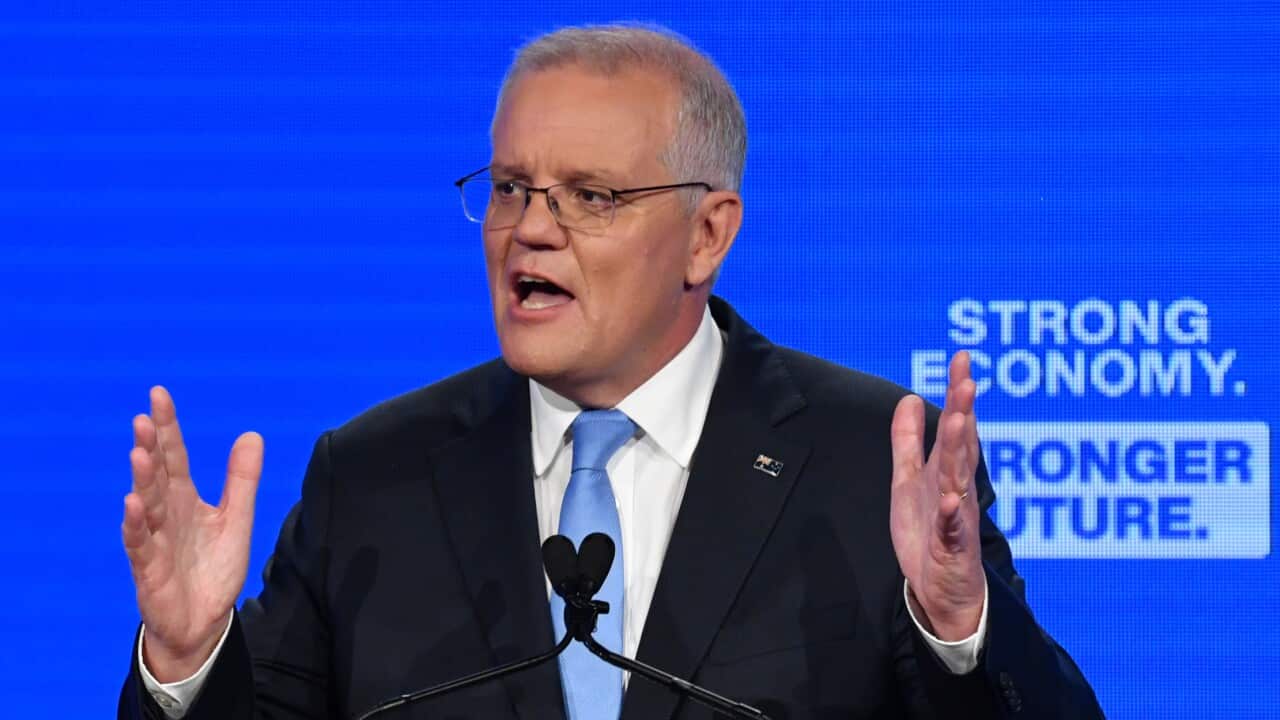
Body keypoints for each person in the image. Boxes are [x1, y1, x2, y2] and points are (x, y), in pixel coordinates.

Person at [118, 24, 1103, 720]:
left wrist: (958, 628)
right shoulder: (373, 478)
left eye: (589, 195)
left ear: (705, 236)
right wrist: (187, 661)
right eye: (509, 188)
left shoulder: (868, 463)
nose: (529, 229)